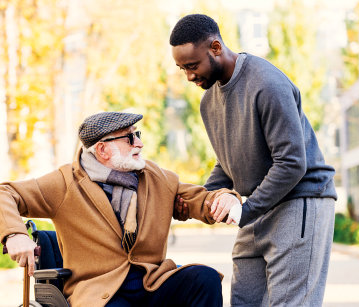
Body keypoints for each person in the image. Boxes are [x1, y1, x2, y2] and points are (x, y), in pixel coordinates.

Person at [170, 14, 338, 307]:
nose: (189, 76)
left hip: (300, 201)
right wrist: (199, 199)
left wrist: (245, 210)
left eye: (193, 66)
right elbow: (227, 164)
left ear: (216, 47)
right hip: (255, 208)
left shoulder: (266, 83)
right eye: (182, 68)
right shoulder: (208, 102)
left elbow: (291, 162)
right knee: (244, 302)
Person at [0, 111, 242, 307]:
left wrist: (225, 198)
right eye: (129, 138)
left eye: (137, 134)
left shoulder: (157, 177)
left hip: (152, 282)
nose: (139, 143)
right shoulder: (65, 183)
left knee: (204, 279)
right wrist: (15, 234)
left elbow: (201, 200)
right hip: (100, 291)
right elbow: (5, 193)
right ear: (103, 150)